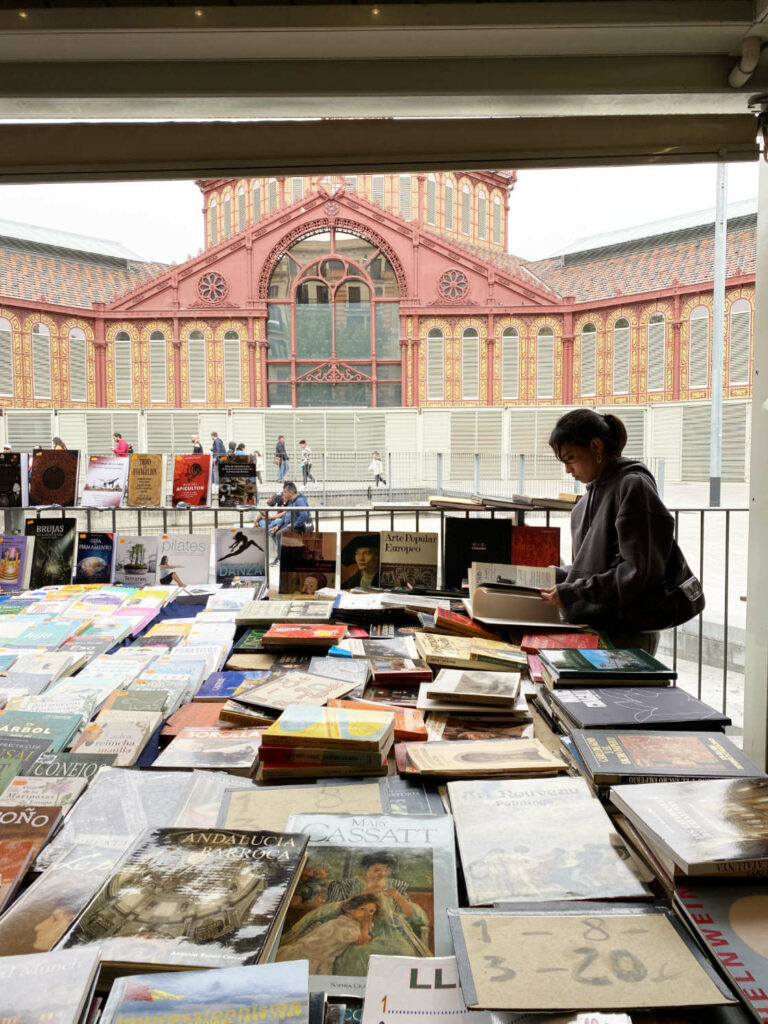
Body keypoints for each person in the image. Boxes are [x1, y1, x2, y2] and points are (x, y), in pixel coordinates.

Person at [540, 408, 703, 655]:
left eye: (570, 458)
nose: (568, 470)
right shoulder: (587, 500)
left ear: (596, 447)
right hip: (596, 629)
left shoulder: (633, 486)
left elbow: (640, 571)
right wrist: (557, 577)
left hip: (627, 634)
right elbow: (597, 568)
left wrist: (573, 591)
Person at [276, 894, 380, 975]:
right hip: (307, 955)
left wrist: (365, 925)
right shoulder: (345, 924)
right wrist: (365, 926)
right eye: (362, 909)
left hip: (318, 958)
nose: (367, 914)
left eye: (371, 911)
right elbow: (362, 940)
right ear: (350, 909)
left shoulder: (354, 923)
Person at [268, 480, 310, 564]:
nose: (284, 494)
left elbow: (304, 515)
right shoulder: (291, 501)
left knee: (279, 534)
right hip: (289, 524)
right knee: (272, 532)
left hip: (298, 526)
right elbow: (286, 514)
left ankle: (280, 558)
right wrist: (279, 525)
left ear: (290, 492)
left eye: (285, 492)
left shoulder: (299, 500)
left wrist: (294, 525)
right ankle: (281, 555)